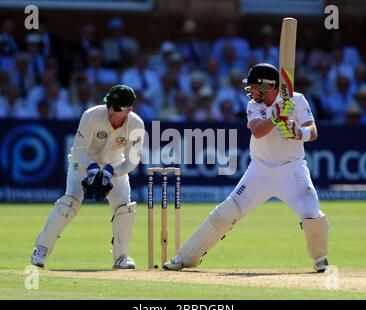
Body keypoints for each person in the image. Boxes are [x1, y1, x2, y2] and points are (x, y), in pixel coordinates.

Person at [163, 63, 330, 273]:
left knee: (312, 215)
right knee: (224, 214)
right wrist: (275, 116)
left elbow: (312, 131)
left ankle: (320, 258)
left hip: (292, 171)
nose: (250, 91)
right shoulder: (253, 105)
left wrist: (298, 132)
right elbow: (258, 131)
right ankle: (185, 257)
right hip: (259, 172)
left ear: (268, 85)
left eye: (253, 86)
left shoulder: (296, 99)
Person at [31, 84, 145, 269]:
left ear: (129, 110)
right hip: (84, 162)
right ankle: (41, 249)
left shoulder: (137, 124)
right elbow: (78, 150)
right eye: (108, 105)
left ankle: (121, 257)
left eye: (116, 108)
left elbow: (132, 161)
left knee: (125, 209)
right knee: (70, 202)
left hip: (114, 165)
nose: (110, 110)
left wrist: (111, 172)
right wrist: (92, 168)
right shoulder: (91, 115)